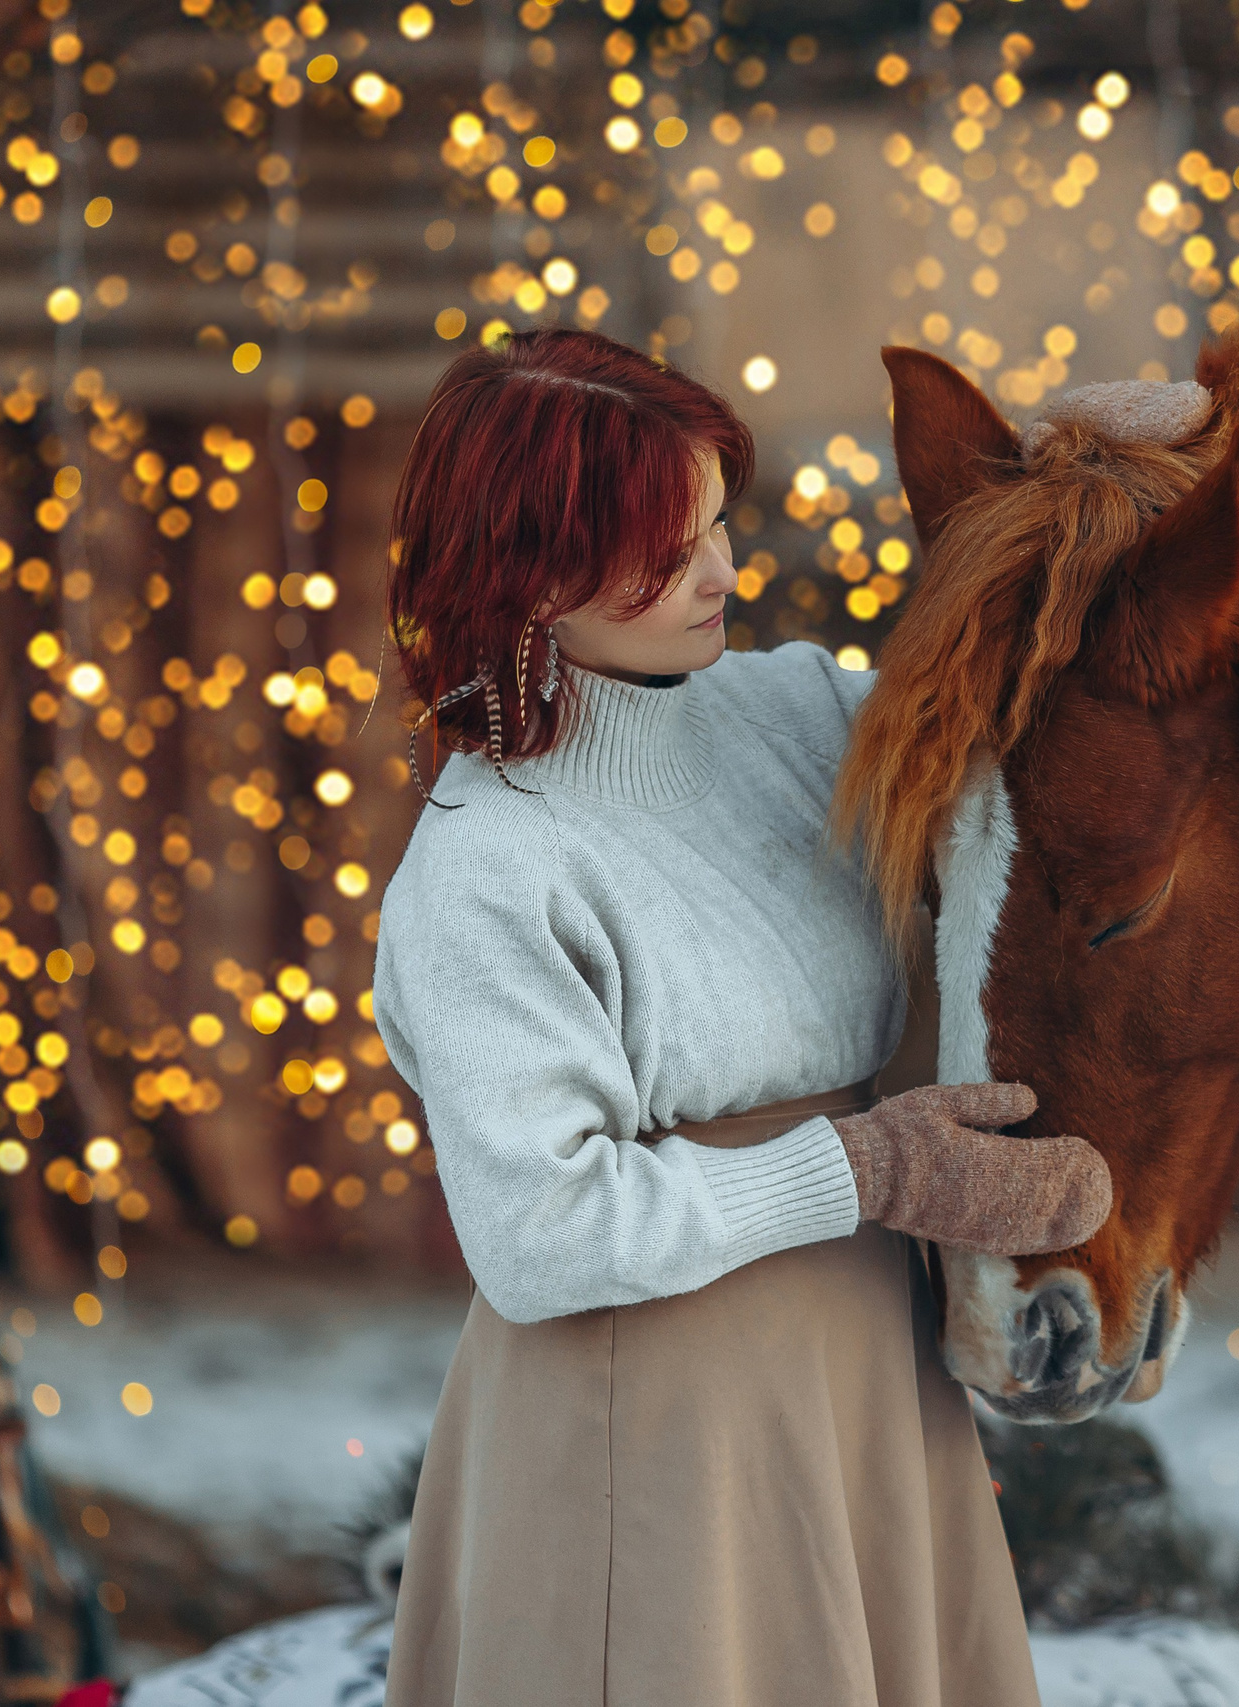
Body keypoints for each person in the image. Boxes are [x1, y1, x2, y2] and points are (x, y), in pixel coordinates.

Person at [369, 327, 1111, 1706]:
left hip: (860, 1374)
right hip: (650, 1421)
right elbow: (542, 1238)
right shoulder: (487, 870)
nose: (723, 572)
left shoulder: (788, 711)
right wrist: (867, 1167)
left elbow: (1028, 739)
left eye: (719, 521)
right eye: (669, 548)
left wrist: (1113, 492)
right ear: (525, 567)